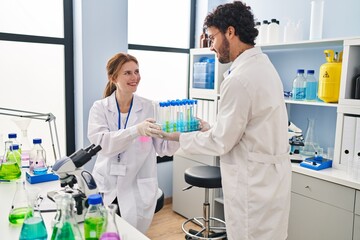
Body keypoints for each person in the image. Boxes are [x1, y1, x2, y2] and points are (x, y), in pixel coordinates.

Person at [151, 2, 291, 240]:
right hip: (271, 180)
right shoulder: (264, 67)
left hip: (253, 186)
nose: (211, 46)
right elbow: (247, 128)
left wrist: (175, 136)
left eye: (212, 37)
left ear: (230, 32)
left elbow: (221, 142)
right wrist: (211, 128)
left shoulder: (240, 79)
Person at [87, 53, 179, 233]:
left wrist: (181, 134)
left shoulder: (150, 107)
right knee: (107, 233)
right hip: (107, 185)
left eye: (136, 72)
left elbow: (162, 148)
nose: (135, 77)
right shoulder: (100, 108)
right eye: (127, 73)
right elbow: (103, 143)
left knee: (132, 235)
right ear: (113, 78)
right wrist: (136, 130)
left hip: (137, 185)